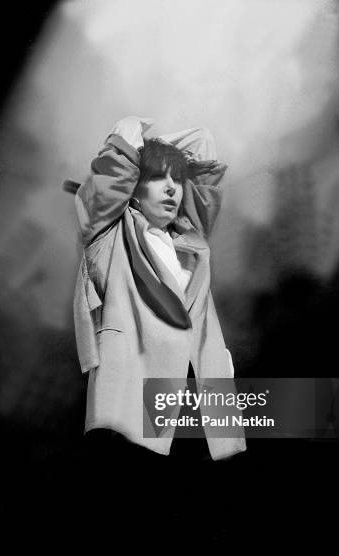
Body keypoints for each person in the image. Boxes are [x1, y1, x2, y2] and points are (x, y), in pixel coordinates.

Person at [73, 116, 246, 461]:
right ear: (133, 187)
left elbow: (203, 150)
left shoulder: (190, 239)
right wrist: (133, 140)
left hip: (199, 392)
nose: (171, 188)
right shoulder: (109, 232)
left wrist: (162, 154)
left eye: (177, 180)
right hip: (135, 393)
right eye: (156, 178)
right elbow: (111, 175)